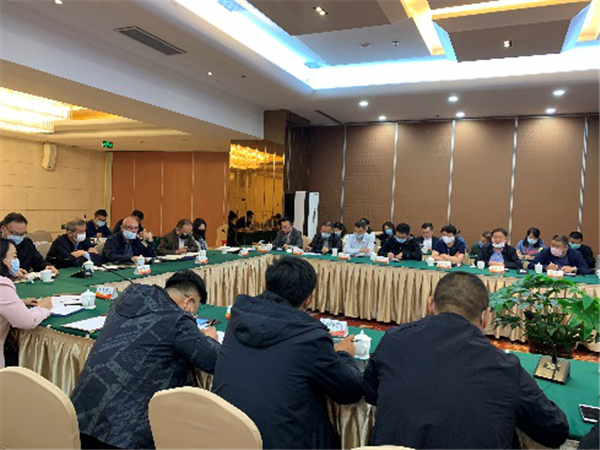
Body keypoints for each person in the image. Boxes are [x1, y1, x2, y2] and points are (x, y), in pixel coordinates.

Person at [363, 272, 569, 450]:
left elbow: (371, 393)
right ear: (486, 317)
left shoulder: (393, 340)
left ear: (430, 305)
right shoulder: (504, 367)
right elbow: (555, 430)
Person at [212, 257, 363, 450]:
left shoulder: (238, 317)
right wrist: (344, 354)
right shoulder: (310, 336)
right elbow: (349, 391)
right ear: (309, 300)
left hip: (226, 438)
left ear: (266, 286)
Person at [71, 270, 220, 450]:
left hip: (80, 421)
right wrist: (210, 339)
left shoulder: (123, 300)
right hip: (124, 436)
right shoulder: (177, 320)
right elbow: (214, 360)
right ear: (189, 302)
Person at [0, 238, 52, 368]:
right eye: (14, 256)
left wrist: (20, 302)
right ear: (3, 260)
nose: (16, 260)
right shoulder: (2, 285)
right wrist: (43, 308)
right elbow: (27, 321)